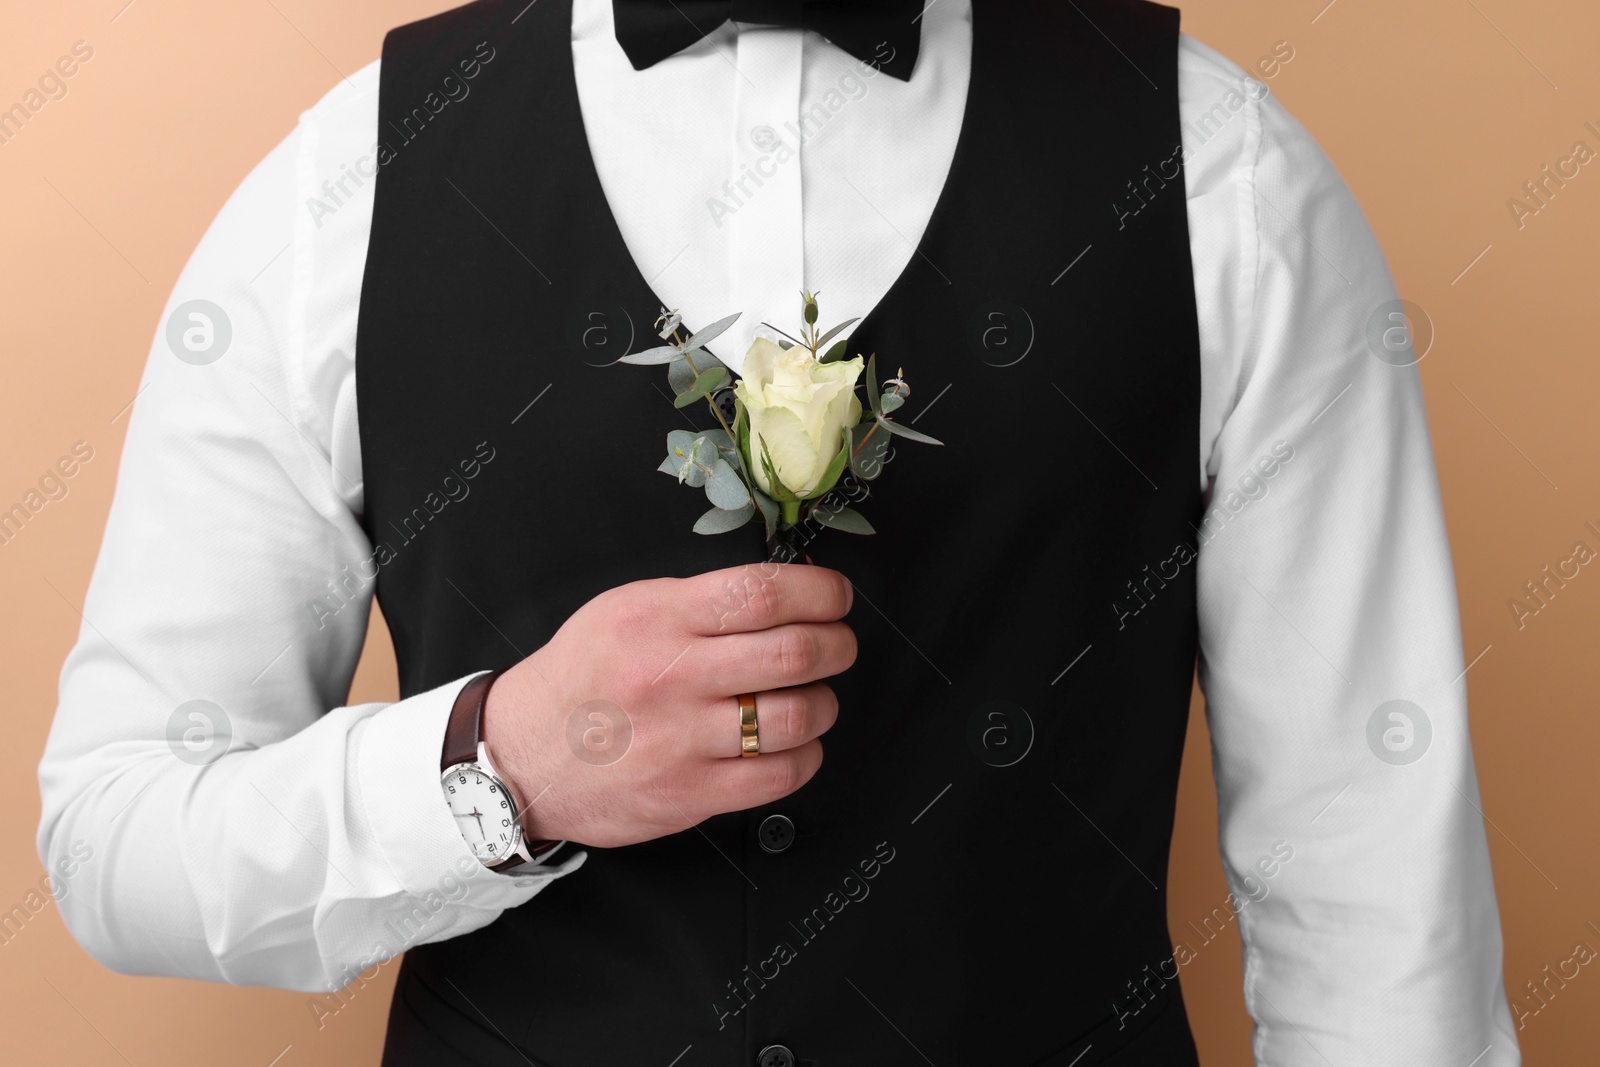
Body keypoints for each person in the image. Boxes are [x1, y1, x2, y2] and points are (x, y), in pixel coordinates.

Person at [38, 0, 1521, 1063]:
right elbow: (117, 837)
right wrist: (502, 772)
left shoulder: (1226, 177)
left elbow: (1376, 910)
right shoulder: (340, 188)